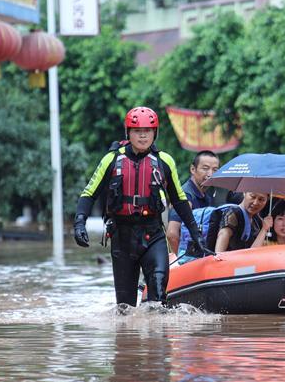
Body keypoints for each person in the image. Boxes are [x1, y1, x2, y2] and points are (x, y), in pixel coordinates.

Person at [73, 107, 206, 307]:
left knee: (159, 291)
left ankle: (157, 335)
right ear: (128, 133)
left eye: (148, 130)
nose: (143, 135)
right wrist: (79, 223)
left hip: (153, 234)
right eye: (137, 130)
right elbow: (89, 193)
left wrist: (195, 231)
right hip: (122, 237)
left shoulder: (164, 161)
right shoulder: (111, 159)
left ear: (155, 133)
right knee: (125, 306)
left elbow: (178, 199)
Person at [166, 150, 242, 255]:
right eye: (205, 169)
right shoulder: (185, 196)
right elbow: (172, 234)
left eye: (215, 169)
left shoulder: (207, 197)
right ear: (193, 169)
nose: (210, 174)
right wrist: (183, 259)